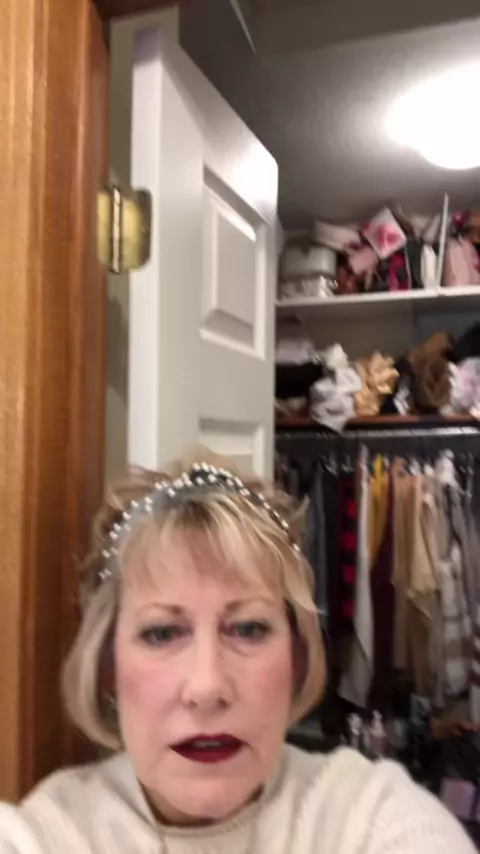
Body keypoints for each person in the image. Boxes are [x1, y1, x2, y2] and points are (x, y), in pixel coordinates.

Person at [0, 454, 475, 854]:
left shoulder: (367, 815)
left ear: (297, 656)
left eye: (248, 629)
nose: (208, 687)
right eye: (162, 633)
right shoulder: (45, 836)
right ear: (107, 666)